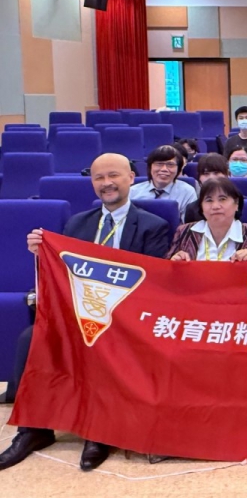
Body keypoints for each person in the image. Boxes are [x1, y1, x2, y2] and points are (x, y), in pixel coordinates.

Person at [0, 153, 171, 472]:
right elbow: (63, 275)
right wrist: (41, 253)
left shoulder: (154, 226)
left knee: (101, 339)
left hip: (128, 317)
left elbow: (154, 286)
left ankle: (99, 431)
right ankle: (34, 430)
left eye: (113, 175)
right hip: (81, 313)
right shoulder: (77, 224)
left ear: (131, 178)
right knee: (32, 337)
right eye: (98, 178)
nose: (106, 183)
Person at [169, 177, 247, 263]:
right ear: (201, 207)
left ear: (236, 204)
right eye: (209, 200)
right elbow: (166, 271)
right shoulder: (184, 232)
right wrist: (173, 262)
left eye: (222, 199)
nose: (215, 206)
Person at [130, 145, 198, 215]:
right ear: (150, 167)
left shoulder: (187, 192)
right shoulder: (133, 192)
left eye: (170, 164)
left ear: (178, 169)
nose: (164, 169)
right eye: (159, 164)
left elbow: (189, 221)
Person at [184, 153, 229, 222]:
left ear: (226, 175)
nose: (211, 178)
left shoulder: (239, 203)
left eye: (216, 173)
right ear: (199, 178)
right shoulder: (192, 208)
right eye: (206, 174)